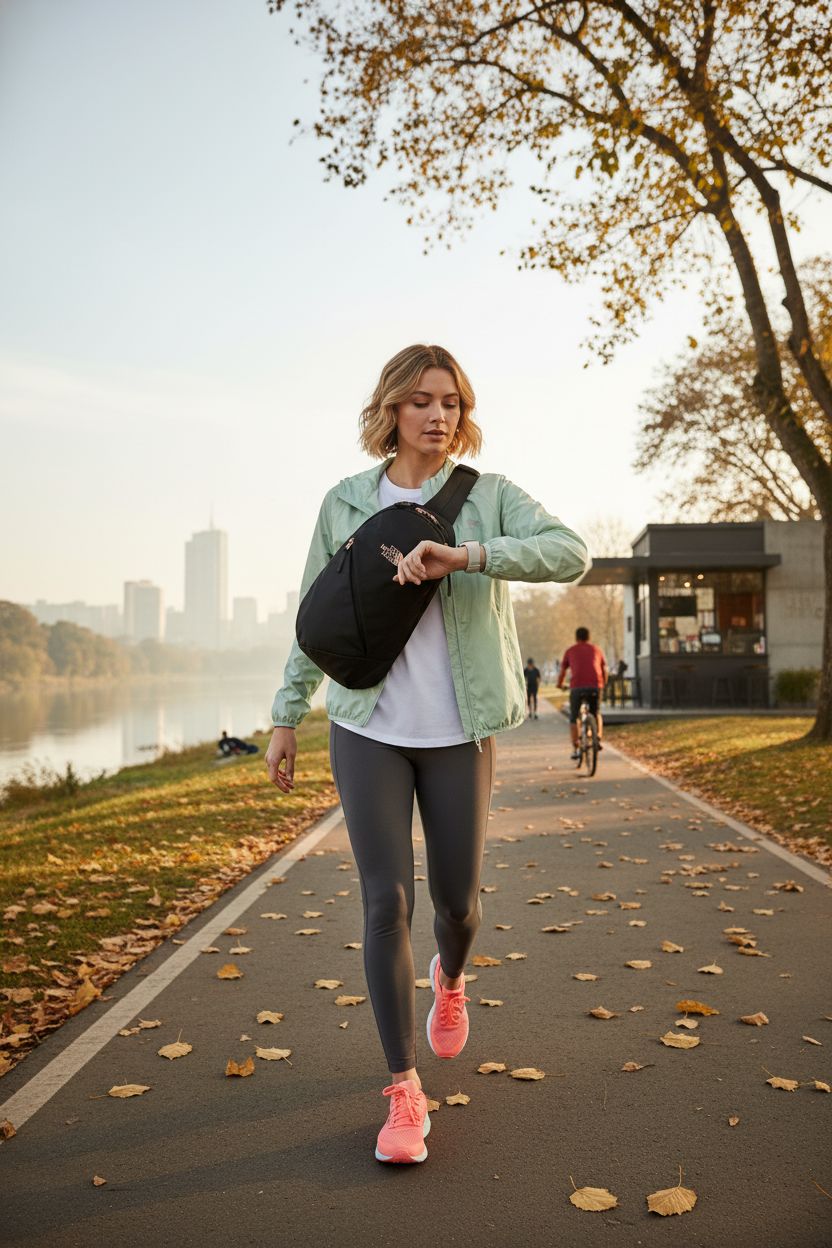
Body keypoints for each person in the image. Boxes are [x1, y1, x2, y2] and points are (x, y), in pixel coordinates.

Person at [266, 344, 588, 1165]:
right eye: (420, 401)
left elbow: (569, 551)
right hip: (366, 727)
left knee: (456, 902)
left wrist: (470, 556)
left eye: (450, 401)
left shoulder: (488, 499)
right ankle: (404, 1092)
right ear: (392, 411)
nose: (438, 415)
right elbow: (319, 617)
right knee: (386, 903)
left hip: (458, 730)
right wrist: (283, 717)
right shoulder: (345, 503)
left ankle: (451, 980)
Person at [557, 627, 609, 759]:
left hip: (577, 687)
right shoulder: (596, 649)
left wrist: (559, 684)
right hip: (595, 686)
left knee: (574, 717)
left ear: (576, 638)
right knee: (596, 712)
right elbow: (604, 669)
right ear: (589, 637)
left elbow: (563, 671)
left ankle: (576, 748)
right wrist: (603, 683)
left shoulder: (570, 650)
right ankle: (597, 739)